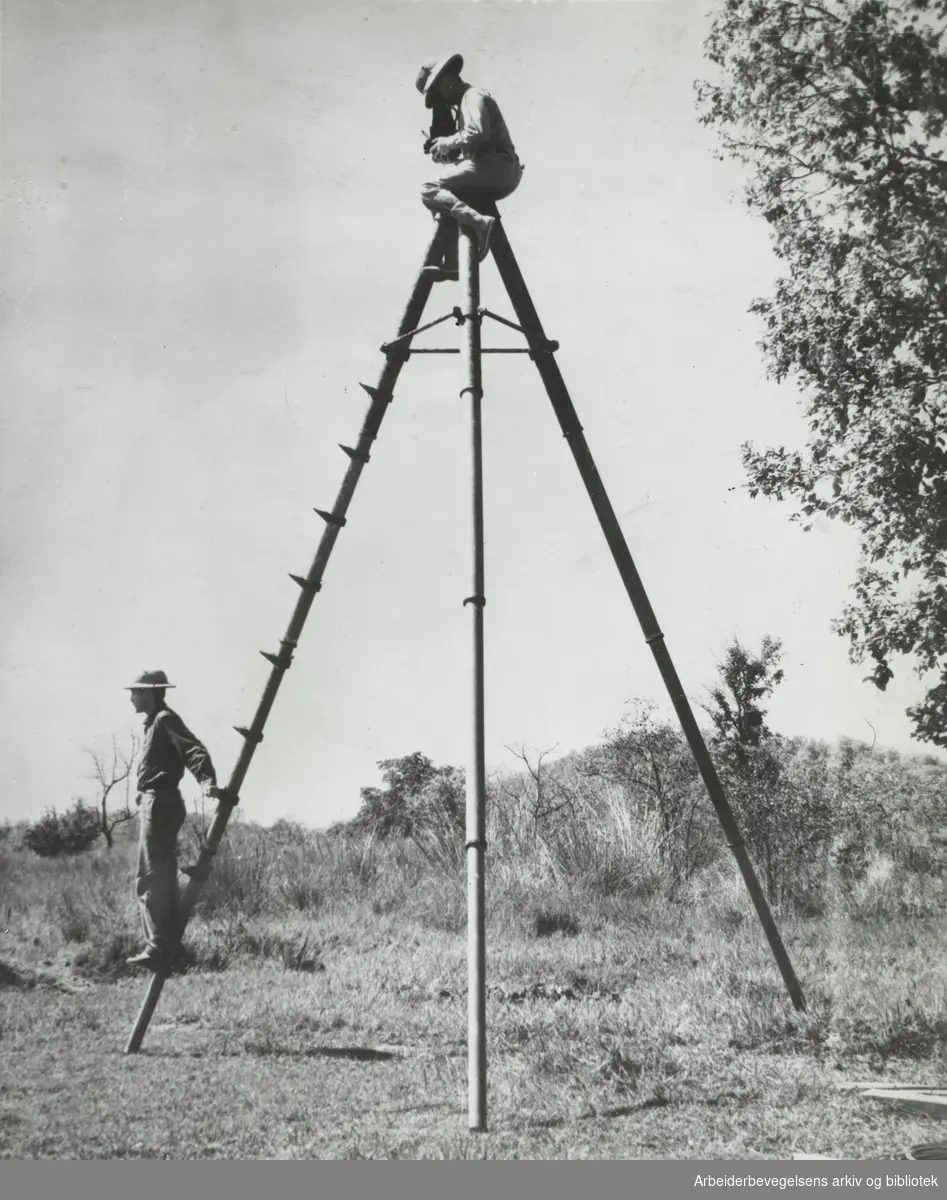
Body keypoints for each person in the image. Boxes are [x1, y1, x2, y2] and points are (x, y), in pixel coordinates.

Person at [124, 669, 223, 970]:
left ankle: (157, 946)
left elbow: (192, 748)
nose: (131, 698)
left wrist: (206, 780)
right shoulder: (154, 723)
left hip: (159, 801)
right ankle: (167, 944)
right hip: (158, 801)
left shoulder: (164, 719)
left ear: (148, 693)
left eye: (135, 692)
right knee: (161, 873)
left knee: (150, 875)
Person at [416, 54, 523, 282]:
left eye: (439, 93)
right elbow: (471, 145)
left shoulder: (472, 96)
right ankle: (455, 262)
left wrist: (448, 142)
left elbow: (478, 132)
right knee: (444, 201)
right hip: (494, 167)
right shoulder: (465, 102)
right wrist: (443, 152)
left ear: (446, 80)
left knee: (428, 189)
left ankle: (480, 224)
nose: (442, 101)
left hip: (495, 165)